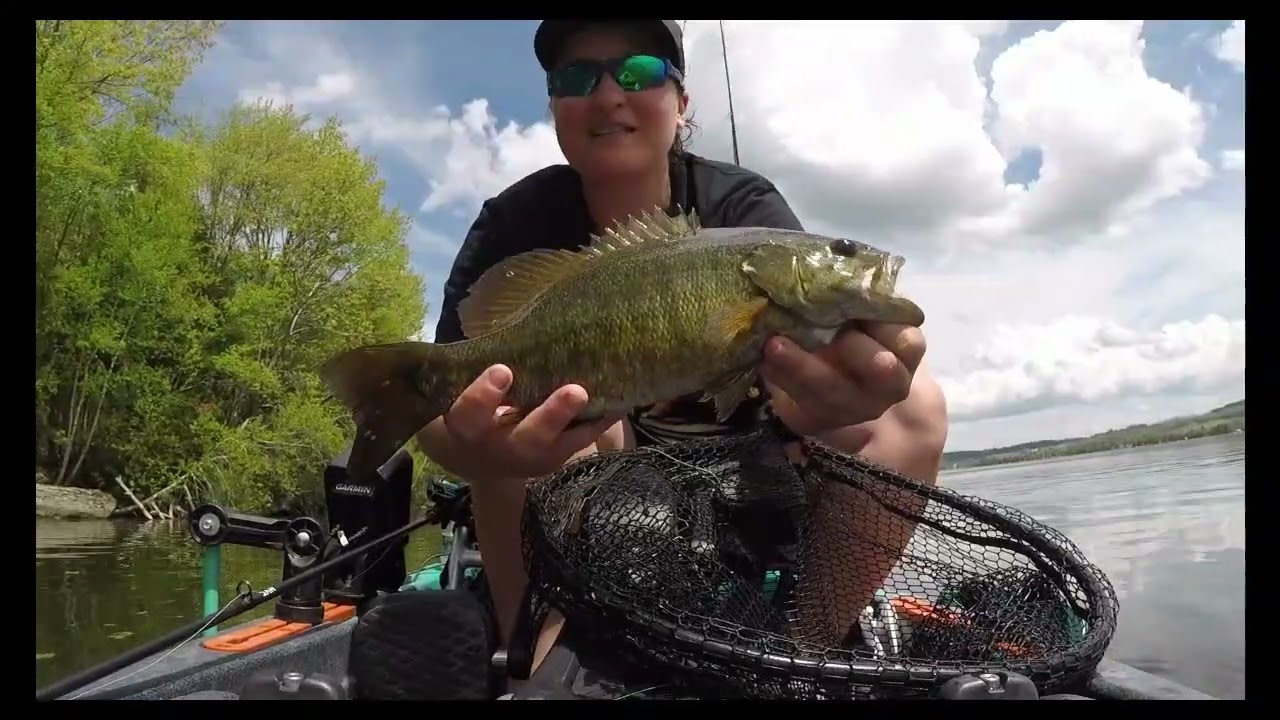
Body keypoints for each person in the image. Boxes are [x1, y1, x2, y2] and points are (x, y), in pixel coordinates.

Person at [417, 19, 949, 673]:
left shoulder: (746, 209)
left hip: (742, 470)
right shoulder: (514, 224)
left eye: (638, 72)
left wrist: (832, 395)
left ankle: (800, 660)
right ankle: (533, 657)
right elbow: (433, 414)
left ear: (682, 101)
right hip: (587, 459)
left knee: (912, 405)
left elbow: (807, 383)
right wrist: (473, 444)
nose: (610, 95)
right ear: (554, 104)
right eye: (578, 78)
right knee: (564, 430)